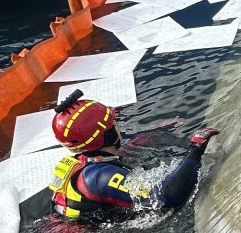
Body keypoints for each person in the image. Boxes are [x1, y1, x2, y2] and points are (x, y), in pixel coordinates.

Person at [48, 90, 219, 222]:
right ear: (107, 135)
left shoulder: (86, 162)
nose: (118, 125)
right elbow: (166, 197)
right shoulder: (100, 177)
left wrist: (155, 131)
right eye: (113, 123)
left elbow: (123, 151)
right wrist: (195, 149)